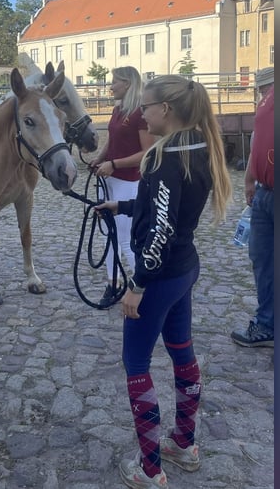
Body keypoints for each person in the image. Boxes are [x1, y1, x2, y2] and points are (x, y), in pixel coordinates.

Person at [95, 75, 232, 488]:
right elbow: (165, 208)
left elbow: (159, 231)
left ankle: (150, 468)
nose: (142, 113)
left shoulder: (160, 158)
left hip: (158, 277)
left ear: (166, 111)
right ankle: (184, 443)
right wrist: (121, 205)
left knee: (136, 363)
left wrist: (137, 285)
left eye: (147, 107)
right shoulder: (200, 149)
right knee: (181, 351)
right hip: (185, 271)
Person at [89, 66, 155, 307]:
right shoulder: (118, 110)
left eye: (115, 82)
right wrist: (100, 158)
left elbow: (146, 152)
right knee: (110, 236)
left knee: (125, 239)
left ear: (127, 84)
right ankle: (113, 283)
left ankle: (144, 286)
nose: (111, 85)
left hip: (129, 181)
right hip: (111, 179)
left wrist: (114, 164)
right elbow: (112, 139)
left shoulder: (139, 113)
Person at [231, 66, 274, 348]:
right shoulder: (267, 100)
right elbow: (258, 139)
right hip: (265, 192)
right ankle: (267, 324)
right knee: (262, 260)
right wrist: (249, 178)